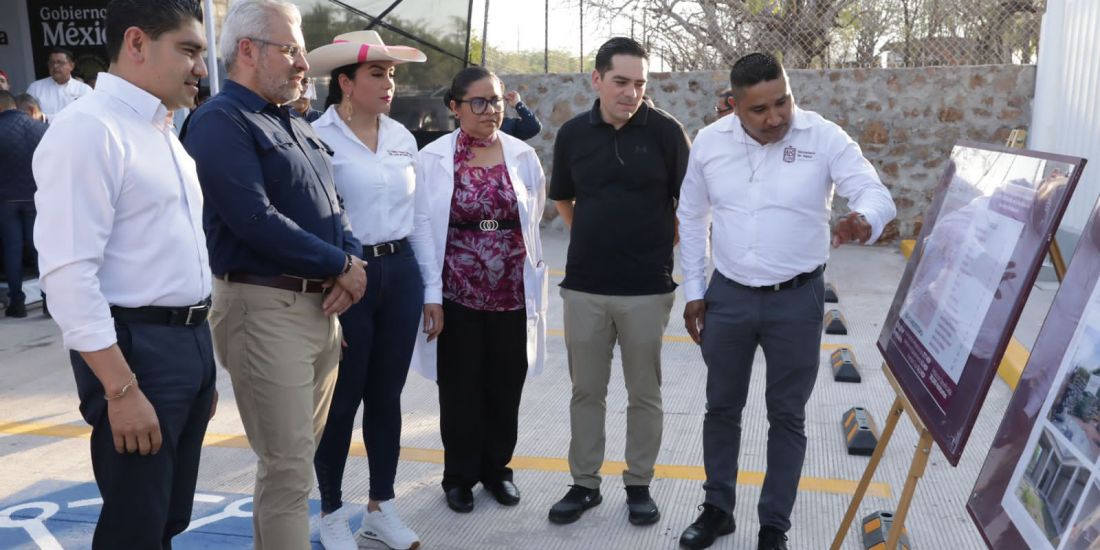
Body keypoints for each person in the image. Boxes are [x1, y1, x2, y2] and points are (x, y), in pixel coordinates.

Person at [676, 52, 896, 550]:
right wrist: (694, 291)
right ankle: (717, 510)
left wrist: (864, 218)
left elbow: (874, 192)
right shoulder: (709, 143)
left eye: (783, 102)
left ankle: (774, 527)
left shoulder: (824, 137)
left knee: (787, 416)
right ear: (734, 105)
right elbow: (691, 217)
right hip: (728, 296)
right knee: (721, 407)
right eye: (760, 109)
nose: (776, 117)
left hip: (797, 301)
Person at [181, 1, 367, 548]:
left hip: (319, 310)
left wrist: (351, 258)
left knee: (290, 468)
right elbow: (253, 219)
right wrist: (340, 265)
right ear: (247, 49)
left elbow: (335, 204)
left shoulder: (291, 119)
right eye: (291, 50)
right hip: (264, 310)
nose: (303, 64)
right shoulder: (220, 121)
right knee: (288, 470)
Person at [31, 1, 215, 546]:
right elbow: (67, 273)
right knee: (135, 527)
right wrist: (120, 388)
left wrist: (201, 365)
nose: (201, 68)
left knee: (167, 518)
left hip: (186, 345)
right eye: (188, 50)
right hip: (136, 352)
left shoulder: (160, 130)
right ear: (136, 43)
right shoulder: (89, 129)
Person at [547, 36, 689, 527]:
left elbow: (690, 206)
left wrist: (658, 246)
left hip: (647, 288)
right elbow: (563, 198)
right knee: (586, 391)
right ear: (597, 80)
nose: (631, 93)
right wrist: (590, 238)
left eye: (640, 84)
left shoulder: (667, 133)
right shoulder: (572, 135)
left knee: (644, 394)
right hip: (584, 286)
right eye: (621, 82)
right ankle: (584, 484)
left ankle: (639, 484)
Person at [305, 30, 430, 550]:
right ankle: (332, 512)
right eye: (377, 73)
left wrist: (431, 289)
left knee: (386, 397)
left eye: (392, 74)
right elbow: (312, 216)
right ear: (345, 82)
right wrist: (332, 273)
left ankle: (382, 507)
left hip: (400, 274)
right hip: (346, 277)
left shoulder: (403, 137)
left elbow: (420, 218)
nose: (389, 83)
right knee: (341, 399)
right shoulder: (317, 136)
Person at [412, 65, 548, 515]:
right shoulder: (432, 158)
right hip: (458, 293)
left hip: (513, 292)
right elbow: (423, 226)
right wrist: (431, 294)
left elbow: (532, 217)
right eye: (479, 102)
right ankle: (459, 477)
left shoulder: (522, 155)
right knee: (460, 388)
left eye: (496, 100)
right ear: (455, 107)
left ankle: (497, 470)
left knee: (505, 385)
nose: (491, 110)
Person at [0, 91, 48, 318]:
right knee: (40, 250)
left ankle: (17, 304)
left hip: (6, 200)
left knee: (12, 249)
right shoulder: (40, 129)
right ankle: (49, 301)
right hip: (36, 197)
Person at [26, 48, 93, 119]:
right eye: (52, 63)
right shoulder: (36, 88)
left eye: (60, 63)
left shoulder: (84, 90)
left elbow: (89, 116)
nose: (55, 66)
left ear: (71, 66)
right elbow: (27, 115)